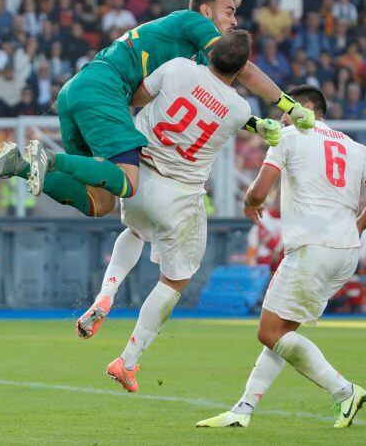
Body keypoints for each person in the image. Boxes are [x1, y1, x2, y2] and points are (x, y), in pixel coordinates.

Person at [0, 0, 315, 219]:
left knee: (101, 201)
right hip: (104, 87)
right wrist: (289, 105)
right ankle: (48, 157)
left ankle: (20, 164)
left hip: (83, 88)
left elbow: (168, 96)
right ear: (206, 10)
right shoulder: (193, 21)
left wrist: (255, 124)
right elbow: (243, 68)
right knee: (127, 181)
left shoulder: (192, 61)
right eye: (228, 12)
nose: (234, 20)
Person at [72, 31, 281, 392]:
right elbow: (232, 115)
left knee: (136, 232)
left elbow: (139, 96)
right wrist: (262, 126)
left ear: (211, 51)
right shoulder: (239, 110)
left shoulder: (179, 67)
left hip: (138, 173)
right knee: (174, 281)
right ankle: (128, 360)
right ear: (243, 68)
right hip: (180, 193)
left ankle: (106, 293)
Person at [197, 85, 366, 429]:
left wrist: (250, 203)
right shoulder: (355, 146)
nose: (280, 116)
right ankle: (243, 410)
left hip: (312, 248)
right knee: (282, 330)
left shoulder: (290, 136)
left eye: (285, 108)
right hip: (345, 252)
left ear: (304, 108)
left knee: (269, 331)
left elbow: (258, 191)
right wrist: (359, 225)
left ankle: (344, 390)